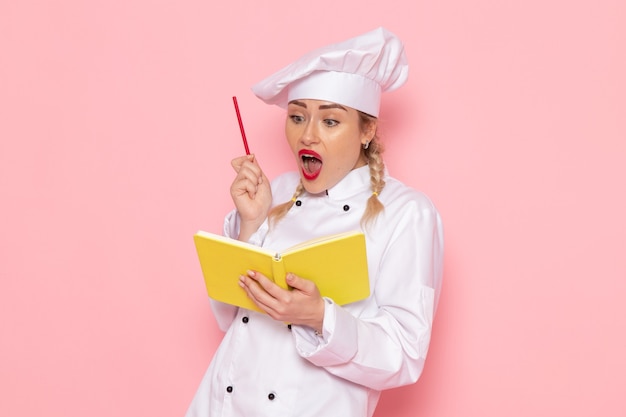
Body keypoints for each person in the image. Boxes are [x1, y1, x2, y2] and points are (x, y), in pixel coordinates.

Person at [186, 27, 444, 417]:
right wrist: (251, 224)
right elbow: (229, 319)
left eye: (330, 122)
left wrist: (318, 317)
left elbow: (404, 355)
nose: (307, 136)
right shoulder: (276, 192)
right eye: (297, 116)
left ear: (367, 130)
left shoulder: (407, 213)